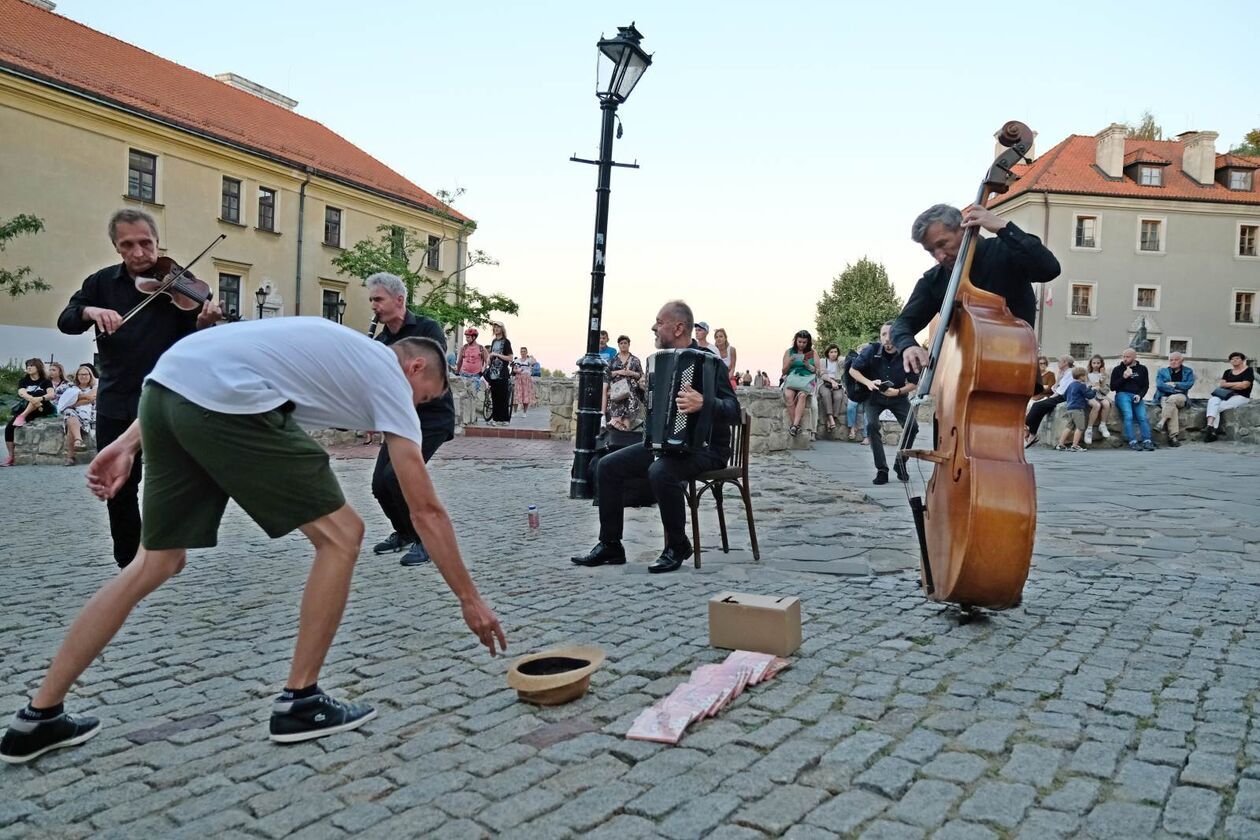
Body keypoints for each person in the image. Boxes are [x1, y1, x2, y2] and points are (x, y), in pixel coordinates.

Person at [0, 318, 505, 764]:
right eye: (429, 396)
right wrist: (470, 599)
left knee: (156, 561)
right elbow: (425, 509)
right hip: (223, 401)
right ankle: (300, 701)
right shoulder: (386, 374)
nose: (421, 407)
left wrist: (127, 442)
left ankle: (38, 714)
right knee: (343, 534)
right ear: (416, 368)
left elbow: (198, 365)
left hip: (164, 391)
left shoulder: (331, 354)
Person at [56, 208, 221, 567]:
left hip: (165, 398)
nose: (139, 252)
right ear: (116, 247)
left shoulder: (180, 285)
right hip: (117, 397)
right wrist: (91, 312)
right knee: (120, 485)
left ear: (157, 241)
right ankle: (129, 562)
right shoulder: (100, 284)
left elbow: (197, 346)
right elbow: (67, 320)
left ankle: (165, 551)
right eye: (127, 245)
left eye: (145, 243)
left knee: (170, 480)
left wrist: (205, 324)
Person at [572, 301, 740, 574]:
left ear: (678, 328)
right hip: (666, 445)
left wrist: (705, 403)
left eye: (659, 322)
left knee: (660, 471)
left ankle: (677, 545)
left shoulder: (710, 363)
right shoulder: (658, 362)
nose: (653, 327)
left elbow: (733, 411)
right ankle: (611, 545)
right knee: (607, 465)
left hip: (706, 449)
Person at [893, 203, 1060, 376]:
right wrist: (908, 345)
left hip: (1013, 373)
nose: (939, 256)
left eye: (943, 244)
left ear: (964, 228)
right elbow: (901, 324)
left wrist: (1003, 227)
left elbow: (1049, 269)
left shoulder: (1005, 250)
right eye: (931, 251)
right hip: (959, 377)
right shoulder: (934, 280)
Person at [364, 273, 456, 567]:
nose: (374, 306)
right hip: (399, 421)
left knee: (398, 477)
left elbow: (429, 371)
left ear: (399, 300)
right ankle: (403, 532)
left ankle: (425, 540)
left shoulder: (428, 328)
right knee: (380, 485)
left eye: (378, 299)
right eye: (372, 300)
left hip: (431, 419)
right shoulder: (381, 340)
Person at [847, 323, 919, 484]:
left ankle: (900, 464)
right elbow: (853, 370)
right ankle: (882, 470)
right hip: (874, 397)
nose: (887, 338)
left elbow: (915, 382)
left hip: (898, 396)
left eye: (891, 334)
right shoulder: (871, 350)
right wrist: (868, 382)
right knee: (872, 426)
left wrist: (899, 391)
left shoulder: (906, 353)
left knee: (912, 428)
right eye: (883, 334)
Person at [3, 358, 54, 466]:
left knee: (38, 394)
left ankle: (22, 416)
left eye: (31, 365)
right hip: (29, 407)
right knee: (9, 428)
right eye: (27, 366)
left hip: (43, 408)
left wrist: (40, 399)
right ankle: (11, 456)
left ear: (38, 367)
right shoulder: (24, 381)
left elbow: (51, 395)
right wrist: (33, 399)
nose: (28, 368)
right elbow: (21, 393)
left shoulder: (46, 381)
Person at [1024, 355, 1075, 447]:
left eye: (1060, 361)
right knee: (1039, 408)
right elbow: (1055, 388)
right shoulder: (1063, 373)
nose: (1058, 363)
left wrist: (1052, 396)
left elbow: (1060, 390)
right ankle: (1032, 434)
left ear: (1065, 363)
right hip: (1058, 395)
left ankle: (1028, 427)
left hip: (1063, 397)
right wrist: (1059, 378)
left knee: (1037, 406)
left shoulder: (1070, 373)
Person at [1110, 348, 1154, 451]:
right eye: (1124, 356)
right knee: (1128, 415)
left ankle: (1147, 441)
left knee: (1143, 417)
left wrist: (1140, 395)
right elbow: (1112, 387)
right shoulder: (1118, 369)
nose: (1125, 359)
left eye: (1128, 357)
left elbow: (1145, 386)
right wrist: (1124, 377)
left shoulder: (1142, 369)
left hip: (1136, 395)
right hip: (1122, 395)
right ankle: (1132, 441)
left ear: (1134, 357)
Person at [1204, 351, 1254, 442]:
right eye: (1232, 359)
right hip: (1225, 395)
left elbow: (1244, 386)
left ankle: (1212, 431)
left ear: (1242, 360)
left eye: (1237, 358)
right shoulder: (1227, 372)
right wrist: (1238, 384)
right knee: (1213, 400)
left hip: (1241, 396)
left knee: (1217, 407)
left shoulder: (1248, 370)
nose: (1234, 360)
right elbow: (1222, 384)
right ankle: (1210, 427)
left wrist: (1229, 384)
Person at [58, 364, 98, 466]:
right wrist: (82, 399)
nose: (83, 376)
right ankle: (78, 440)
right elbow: (58, 395)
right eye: (80, 374)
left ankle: (70, 457)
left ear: (90, 375)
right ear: (77, 376)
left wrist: (75, 400)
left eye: (85, 374)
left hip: (89, 412)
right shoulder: (71, 386)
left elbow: (91, 398)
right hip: (72, 413)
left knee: (70, 419)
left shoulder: (95, 385)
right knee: (69, 413)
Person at [1153, 351, 1195, 447]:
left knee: (1172, 399)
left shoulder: (1188, 371)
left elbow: (1188, 385)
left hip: (1181, 397)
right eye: (1171, 360)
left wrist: (1174, 384)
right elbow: (1160, 385)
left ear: (1182, 361)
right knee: (1173, 408)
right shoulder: (1162, 371)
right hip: (1165, 397)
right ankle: (1173, 438)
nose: (1173, 362)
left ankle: (1162, 421)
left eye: (1176, 360)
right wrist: (1176, 389)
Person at [604, 335, 644, 432]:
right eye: (621, 343)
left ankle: (624, 436)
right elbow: (607, 374)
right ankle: (615, 433)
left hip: (631, 393)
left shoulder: (635, 360)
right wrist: (619, 372)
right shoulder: (613, 360)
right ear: (618, 345)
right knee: (616, 416)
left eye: (625, 343)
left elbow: (640, 375)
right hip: (617, 391)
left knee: (627, 417)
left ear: (629, 344)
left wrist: (631, 373)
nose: (623, 345)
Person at [781, 330, 817, 437]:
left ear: (808, 342)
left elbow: (818, 370)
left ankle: (794, 425)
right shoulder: (789, 352)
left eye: (804, 342)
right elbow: (783, 371)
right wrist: (790, 362)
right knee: (788, 396)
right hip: (793, 377)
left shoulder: (812, 353)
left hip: (807, 378)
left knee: (802, 396)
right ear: (795, 341)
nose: (801, 344)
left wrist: (807, 365)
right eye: (799, 342)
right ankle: (795, 426)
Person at [1055, 367, 1094, 452]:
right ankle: (1075, 445)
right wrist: (1094, 390)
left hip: (1070, 408)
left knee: (1069, 426)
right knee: (1080, 427)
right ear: (1081, 377)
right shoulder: (1081, 385)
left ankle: (1060, 444)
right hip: (1078, 409)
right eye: (1085, 376)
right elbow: (1089, 395)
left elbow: (1065, 395)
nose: (1086, 378)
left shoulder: (1071, 385)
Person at [484, 322, 513, 426]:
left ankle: (505, 419)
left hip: (502, 373)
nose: (496, 329)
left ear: (502, 329)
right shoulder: (494, 341)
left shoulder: (506, 342)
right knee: (494, 397)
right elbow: (492, 356)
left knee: (503, 396)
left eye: (498, 327)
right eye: (494, 327)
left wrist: (497, 354)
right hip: (493, 373)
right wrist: (489, 359)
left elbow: (510, 358)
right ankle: (495, 419)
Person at [1083, 354, 1113, 445]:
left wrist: (1100, 385)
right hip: (1090, 395)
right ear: (1091, 364)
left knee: (1106, 404)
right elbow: (1084, 386)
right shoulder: (1087, 374)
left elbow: (1107, 390)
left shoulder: (1105, 375)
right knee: (1097, 405)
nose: (1096, 365)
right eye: (1094, 363)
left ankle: (1102, 425)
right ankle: (1089, 430)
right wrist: (1092, 387)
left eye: (1098, 363)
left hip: (1101, 394)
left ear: (1101, 364)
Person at [818, 344, 845, 432]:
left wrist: (840, 358)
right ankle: (830, 417)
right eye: (831, 352)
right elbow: (823, 374)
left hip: (837, 383)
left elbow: (845, 363)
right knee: (826, 395)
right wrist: (832, 382)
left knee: (838, 397)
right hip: (825, 382)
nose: (834, 354)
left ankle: (832, 419)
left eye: (836, 352)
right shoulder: (823, 361)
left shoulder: (839, 362)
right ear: (828, 353)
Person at [513, 346, 537, 415]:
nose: (523, 353)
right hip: (519, 378)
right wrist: (517, 371)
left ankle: (524, 412)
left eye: (524, 351)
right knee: (517, 395)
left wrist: (532, 357)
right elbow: (514, 369)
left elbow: (534, 362)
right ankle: (515, 412)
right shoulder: (517, 360)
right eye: (521, 351)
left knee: (525, 395)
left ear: (526, 352)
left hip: (526, 378)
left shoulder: (529, 360)